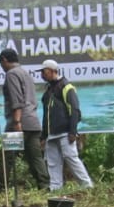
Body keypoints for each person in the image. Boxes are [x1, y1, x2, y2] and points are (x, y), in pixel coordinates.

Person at [0, 49, 49, 191]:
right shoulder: (26, 74)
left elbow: (16, 100)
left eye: (1, 63)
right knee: (35, 157)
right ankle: (45, 185)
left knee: (6, 156)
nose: (1, 66)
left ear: (4, 60)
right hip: (33, 122)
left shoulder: (11, 74)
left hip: (19, 122)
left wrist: (17, 122)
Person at [38, 60, 93, 192]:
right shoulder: (48, 90)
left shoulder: (66, 87)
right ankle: (55, 188)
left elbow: (75, 110)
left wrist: (72, 132)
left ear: (53, 71)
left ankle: (87, 186)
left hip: (65, 133)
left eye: (44, 72)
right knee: (52, 162)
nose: (42, 75)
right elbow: (46, 115)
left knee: (71, 158)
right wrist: (43, 136)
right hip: (51, 134)